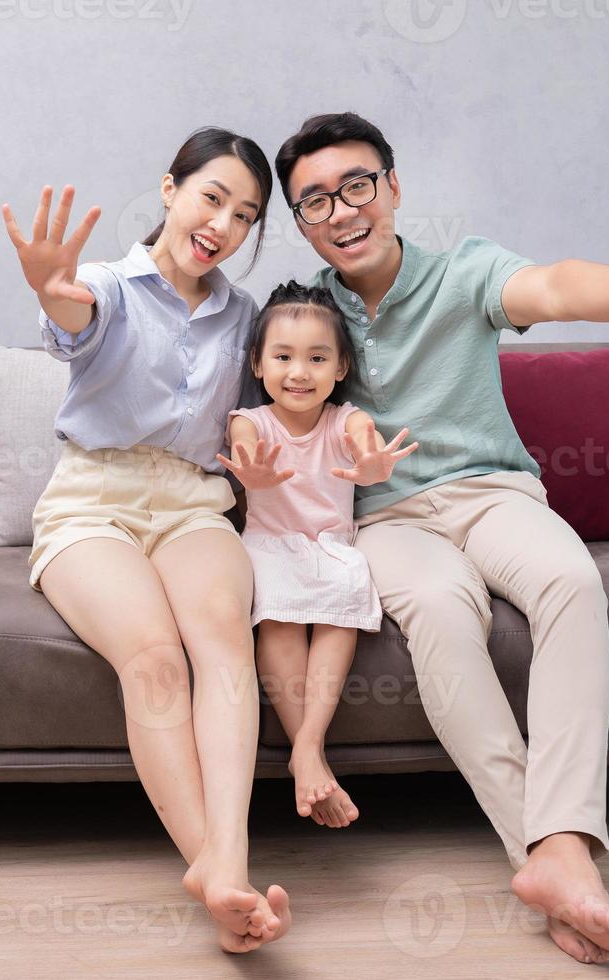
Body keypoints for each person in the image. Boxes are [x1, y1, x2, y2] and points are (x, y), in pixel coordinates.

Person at [274, 111, 609, 966]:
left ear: (392, 188)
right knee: (444, 619)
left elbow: (554, 286)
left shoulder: (464, 272)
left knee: (572, 583)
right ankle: (552, 867)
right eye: (314, 201)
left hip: (492, 492)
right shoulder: (311, 316)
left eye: (356, 186)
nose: (340, 211)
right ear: (299, 222)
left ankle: (560, 845)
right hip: (386, 518)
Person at [1, 126, 291, 954]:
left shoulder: (243, 316)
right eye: (211, 198)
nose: (223, 225)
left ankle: (226, 861)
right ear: (170, 189)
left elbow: (247, 422)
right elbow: (74, 308)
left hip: (194, 501)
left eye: (245, 215)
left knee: (223, 642)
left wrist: (258, 461)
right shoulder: (111, 284)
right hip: (94, 497)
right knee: (155, 658)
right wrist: (48, 285)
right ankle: (214, 868)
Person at [217, 281, 417, 829]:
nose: (298, 372)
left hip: (331, 546)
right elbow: (243, 449)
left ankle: (307, 747)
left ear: (340, 366)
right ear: (258, 364)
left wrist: (372, 461)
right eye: (282, 356)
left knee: (342, 603)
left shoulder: (343, 418)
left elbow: (363, 438)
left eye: (316, 357)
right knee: (279, 617)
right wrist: (250, 470)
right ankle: (312, 758)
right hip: (269, 544)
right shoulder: (250, 420)